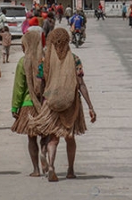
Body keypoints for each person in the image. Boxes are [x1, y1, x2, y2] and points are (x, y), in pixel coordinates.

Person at [32, 29, 96, 182]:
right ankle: (70, 169)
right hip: (71, 103)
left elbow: (41, 85)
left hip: (51, 103)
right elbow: (81, 84)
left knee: (53, 138)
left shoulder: (45, 61)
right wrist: (90, 106)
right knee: (69, 137)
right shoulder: (75, 60)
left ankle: (52, 165)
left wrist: (42, 103)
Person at [11, 30, 45, 177]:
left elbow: (19, 87)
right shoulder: (47, 60)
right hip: (45, 105)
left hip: (28, 104)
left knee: (31, 137)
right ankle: (46, 159)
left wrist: (15, 106)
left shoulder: (22, 62)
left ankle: (36, 169)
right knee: (46, 135)